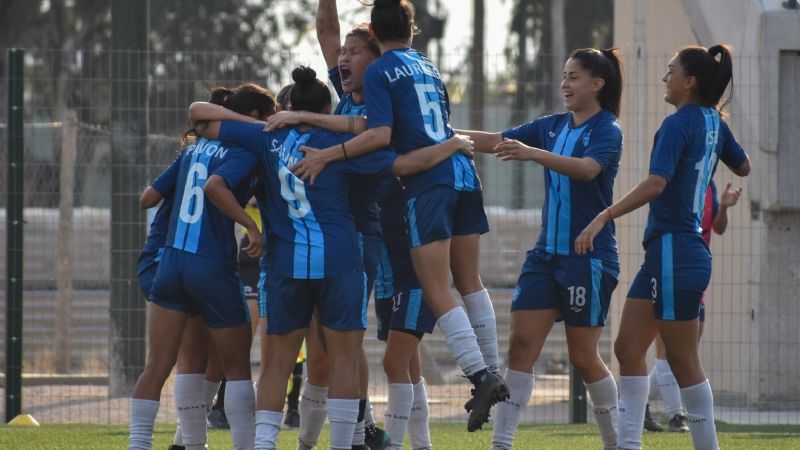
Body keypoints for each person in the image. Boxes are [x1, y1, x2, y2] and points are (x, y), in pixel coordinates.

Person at [189, 65, 474, 450]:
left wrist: (263, 123)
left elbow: (199, 116)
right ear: (328, 110)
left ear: (291, 107)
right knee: (344, 361)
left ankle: (264, 445)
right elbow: (405, 163)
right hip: (340, 264)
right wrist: (452, 144)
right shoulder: (343, 144)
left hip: (286, 266)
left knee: (275, 366)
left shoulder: (265, 136)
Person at [286, 0, 507, 432]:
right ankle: (480, 377)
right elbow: (420, 128)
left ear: (374, 49)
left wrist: (325, 152)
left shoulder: (381, 80)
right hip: (427, 198)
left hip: (403, 214)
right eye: (342, 52)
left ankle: (482, 376)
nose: (342, 57)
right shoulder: (422, 68)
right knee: (395, 353)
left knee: (394, 335)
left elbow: (385, 142)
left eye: (354, 51)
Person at [575, 44, 751, 450]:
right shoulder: (713, 120)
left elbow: (657, 183)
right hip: (667, 252)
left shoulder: (677, 124)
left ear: (689, 82)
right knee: (627, 348)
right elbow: (743, 166)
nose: (664, 78)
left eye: (671, 71)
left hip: (677, 248)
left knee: (683, 361)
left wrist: (604, 215)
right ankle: (629, 444)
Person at [459, 47, 624, 450]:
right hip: (545, 257)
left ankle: (616, 442)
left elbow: (588, 169)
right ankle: (502, 443)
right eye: (564, 75)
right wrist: (436, 132)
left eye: (573, 77)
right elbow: (495, 140)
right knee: (520, 347)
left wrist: (533, 154)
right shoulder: (552, 125)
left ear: (597, 84)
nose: (564, 84)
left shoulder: (607, 129)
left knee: (583, 357)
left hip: (588, 258)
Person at [128, 84, 275, 450]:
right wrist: (250, 224)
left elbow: (147, 198)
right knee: (236, 368)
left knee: (161, 365)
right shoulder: (244, 149)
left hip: (170, 262)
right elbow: (215, 187)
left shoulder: (192, 149)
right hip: (211, 264)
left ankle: (150, 444)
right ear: (254, 116)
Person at [644, 180, 743, 433]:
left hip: (696, 274)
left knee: (685, 353)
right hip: (671, 267)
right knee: (669, 350)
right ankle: (676, 415)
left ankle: (640, 400)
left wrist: (724, 208)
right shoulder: (672, 180)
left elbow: (718, 228)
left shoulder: (708, 185)